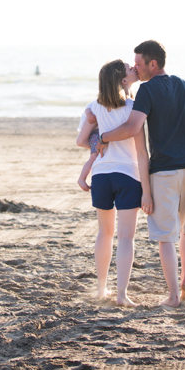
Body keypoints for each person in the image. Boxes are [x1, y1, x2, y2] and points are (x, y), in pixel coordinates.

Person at [97, 40, 185, 307]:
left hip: (165, 173)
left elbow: (132, 127)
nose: (136, 68)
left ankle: (174, 295)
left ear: (152, 64)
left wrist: (103, 137)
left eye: (139, 63)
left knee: (166, 236)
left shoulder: (147, 89)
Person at [76, 60, 152, 307]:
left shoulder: (93, 107)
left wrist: (99, 139)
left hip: (101, 175)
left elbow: (81, 141)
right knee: (126, 238)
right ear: (122, 80)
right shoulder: (133, 109)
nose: (133, 69)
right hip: (127, 174)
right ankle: (121, 294)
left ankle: (101, 288)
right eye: (129, 69)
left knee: (104, 233)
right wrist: (147, 189)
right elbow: (141, 152)